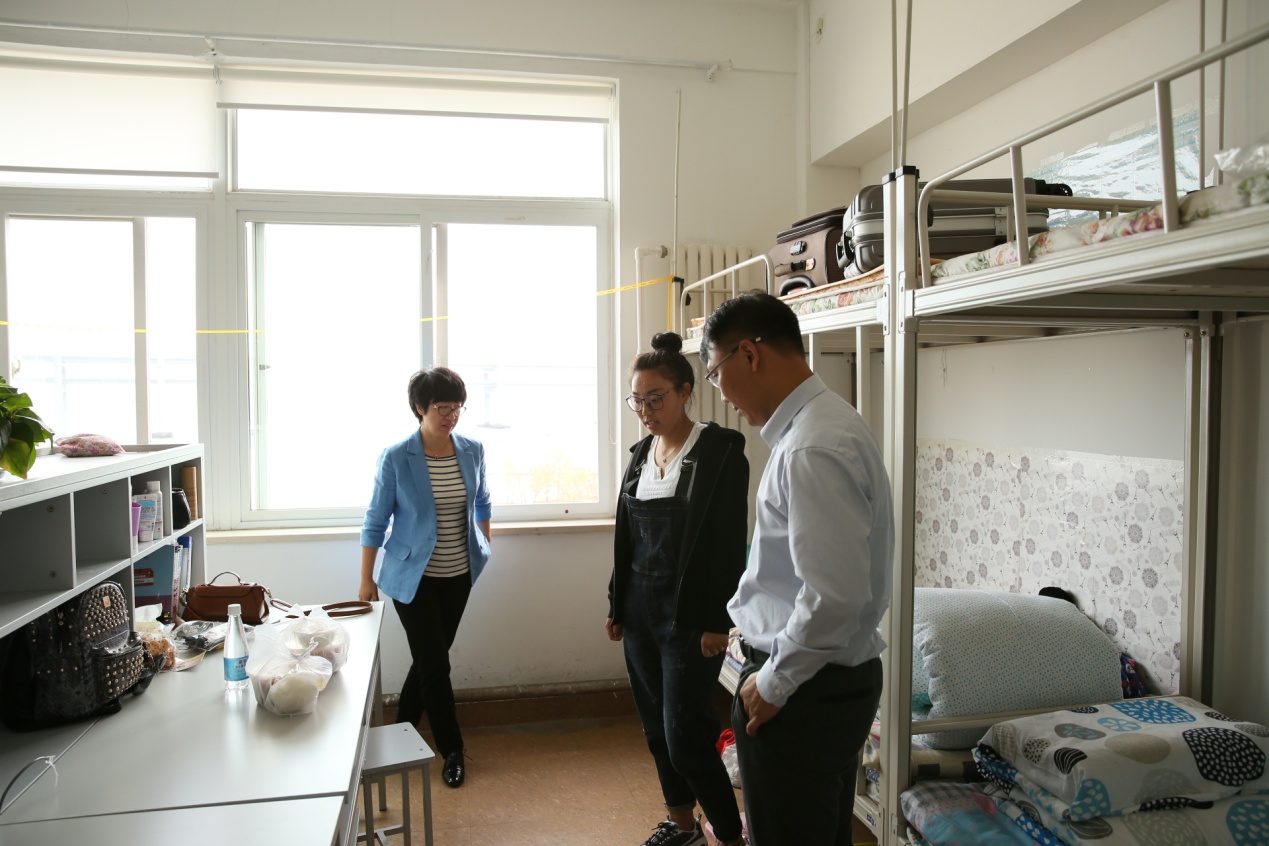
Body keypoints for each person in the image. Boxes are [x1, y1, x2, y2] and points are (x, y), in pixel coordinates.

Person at [699, 293, 893, 846]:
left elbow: (833, 595)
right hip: (820, 681)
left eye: (716, 374)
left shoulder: (812, 445)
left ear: (750, 355)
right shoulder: (823, 425)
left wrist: (773, 683)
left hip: (804, 688)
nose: (721, 393)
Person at [607, 332, 749, 846]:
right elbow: (626, 536)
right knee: (655, 730)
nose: (646, 411)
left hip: (690, 615)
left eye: (656, 398)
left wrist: (717, 621)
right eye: (637, 401)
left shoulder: (719, 451)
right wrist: (616, 603)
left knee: (686, 734)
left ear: (686, 391)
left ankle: (729, 834)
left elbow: (729, 543)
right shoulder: (641, 454)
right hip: (640, 610)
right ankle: (683, 826)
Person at [359, 367, 492, 789]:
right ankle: (452, 749)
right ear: (420, 407)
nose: (451, 416)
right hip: (411, 579)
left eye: (457, 407)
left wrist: (484, 544)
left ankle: (400, 730)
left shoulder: (472, 450)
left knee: (428, 660)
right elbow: (375, 521)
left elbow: (483, 500)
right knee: (436, 664)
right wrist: (366, 579)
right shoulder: (397, 456)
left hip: (459, 574)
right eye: (442, 408)